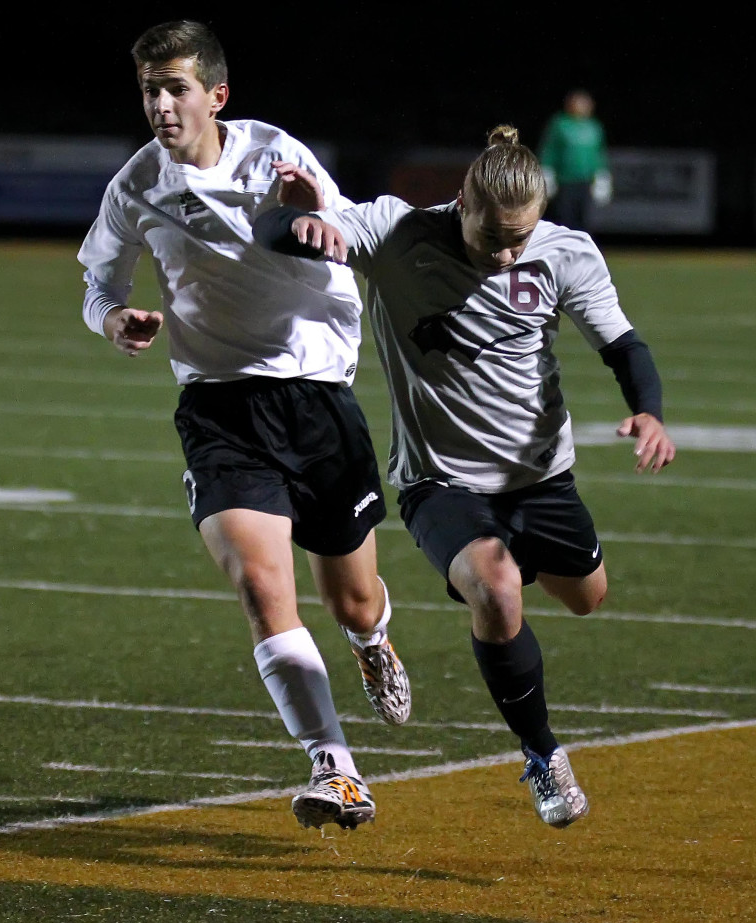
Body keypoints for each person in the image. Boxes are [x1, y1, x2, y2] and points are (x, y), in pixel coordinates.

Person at [254, 125, 676, 828]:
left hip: (542, 479)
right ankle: (543, 754)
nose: (507, 253)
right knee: (498, 586)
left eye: (521, 237)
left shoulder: (565, 252)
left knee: (587, 598)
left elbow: (623, 345)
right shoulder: (395, 232)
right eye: (493, 237)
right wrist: (292, 221)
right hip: (439, 481)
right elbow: (283, 232)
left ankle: (513, 622)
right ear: (461, 202)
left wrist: (650, 414)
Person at [76, 20, 411, 831]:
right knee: (263, 587)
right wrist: (115, 317)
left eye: (176, 88)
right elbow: (97, 284)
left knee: (353, 599)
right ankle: (335, 768)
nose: (160, 105)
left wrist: (310, 217)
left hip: (317, 399)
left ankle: (372, 641)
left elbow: (352, 244)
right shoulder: (134, 187)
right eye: (150, 90)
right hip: (220, 407)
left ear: (216, 95)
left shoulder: (277, 157)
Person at [538, 89, 612, 231]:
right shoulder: (560, 124)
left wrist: (602, 176)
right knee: (564, 218)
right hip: (565, 180)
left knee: (584, 219)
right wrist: (547, 172)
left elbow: (599, 154)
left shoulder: (594, 126)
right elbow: (550, 149)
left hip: (585, 181)